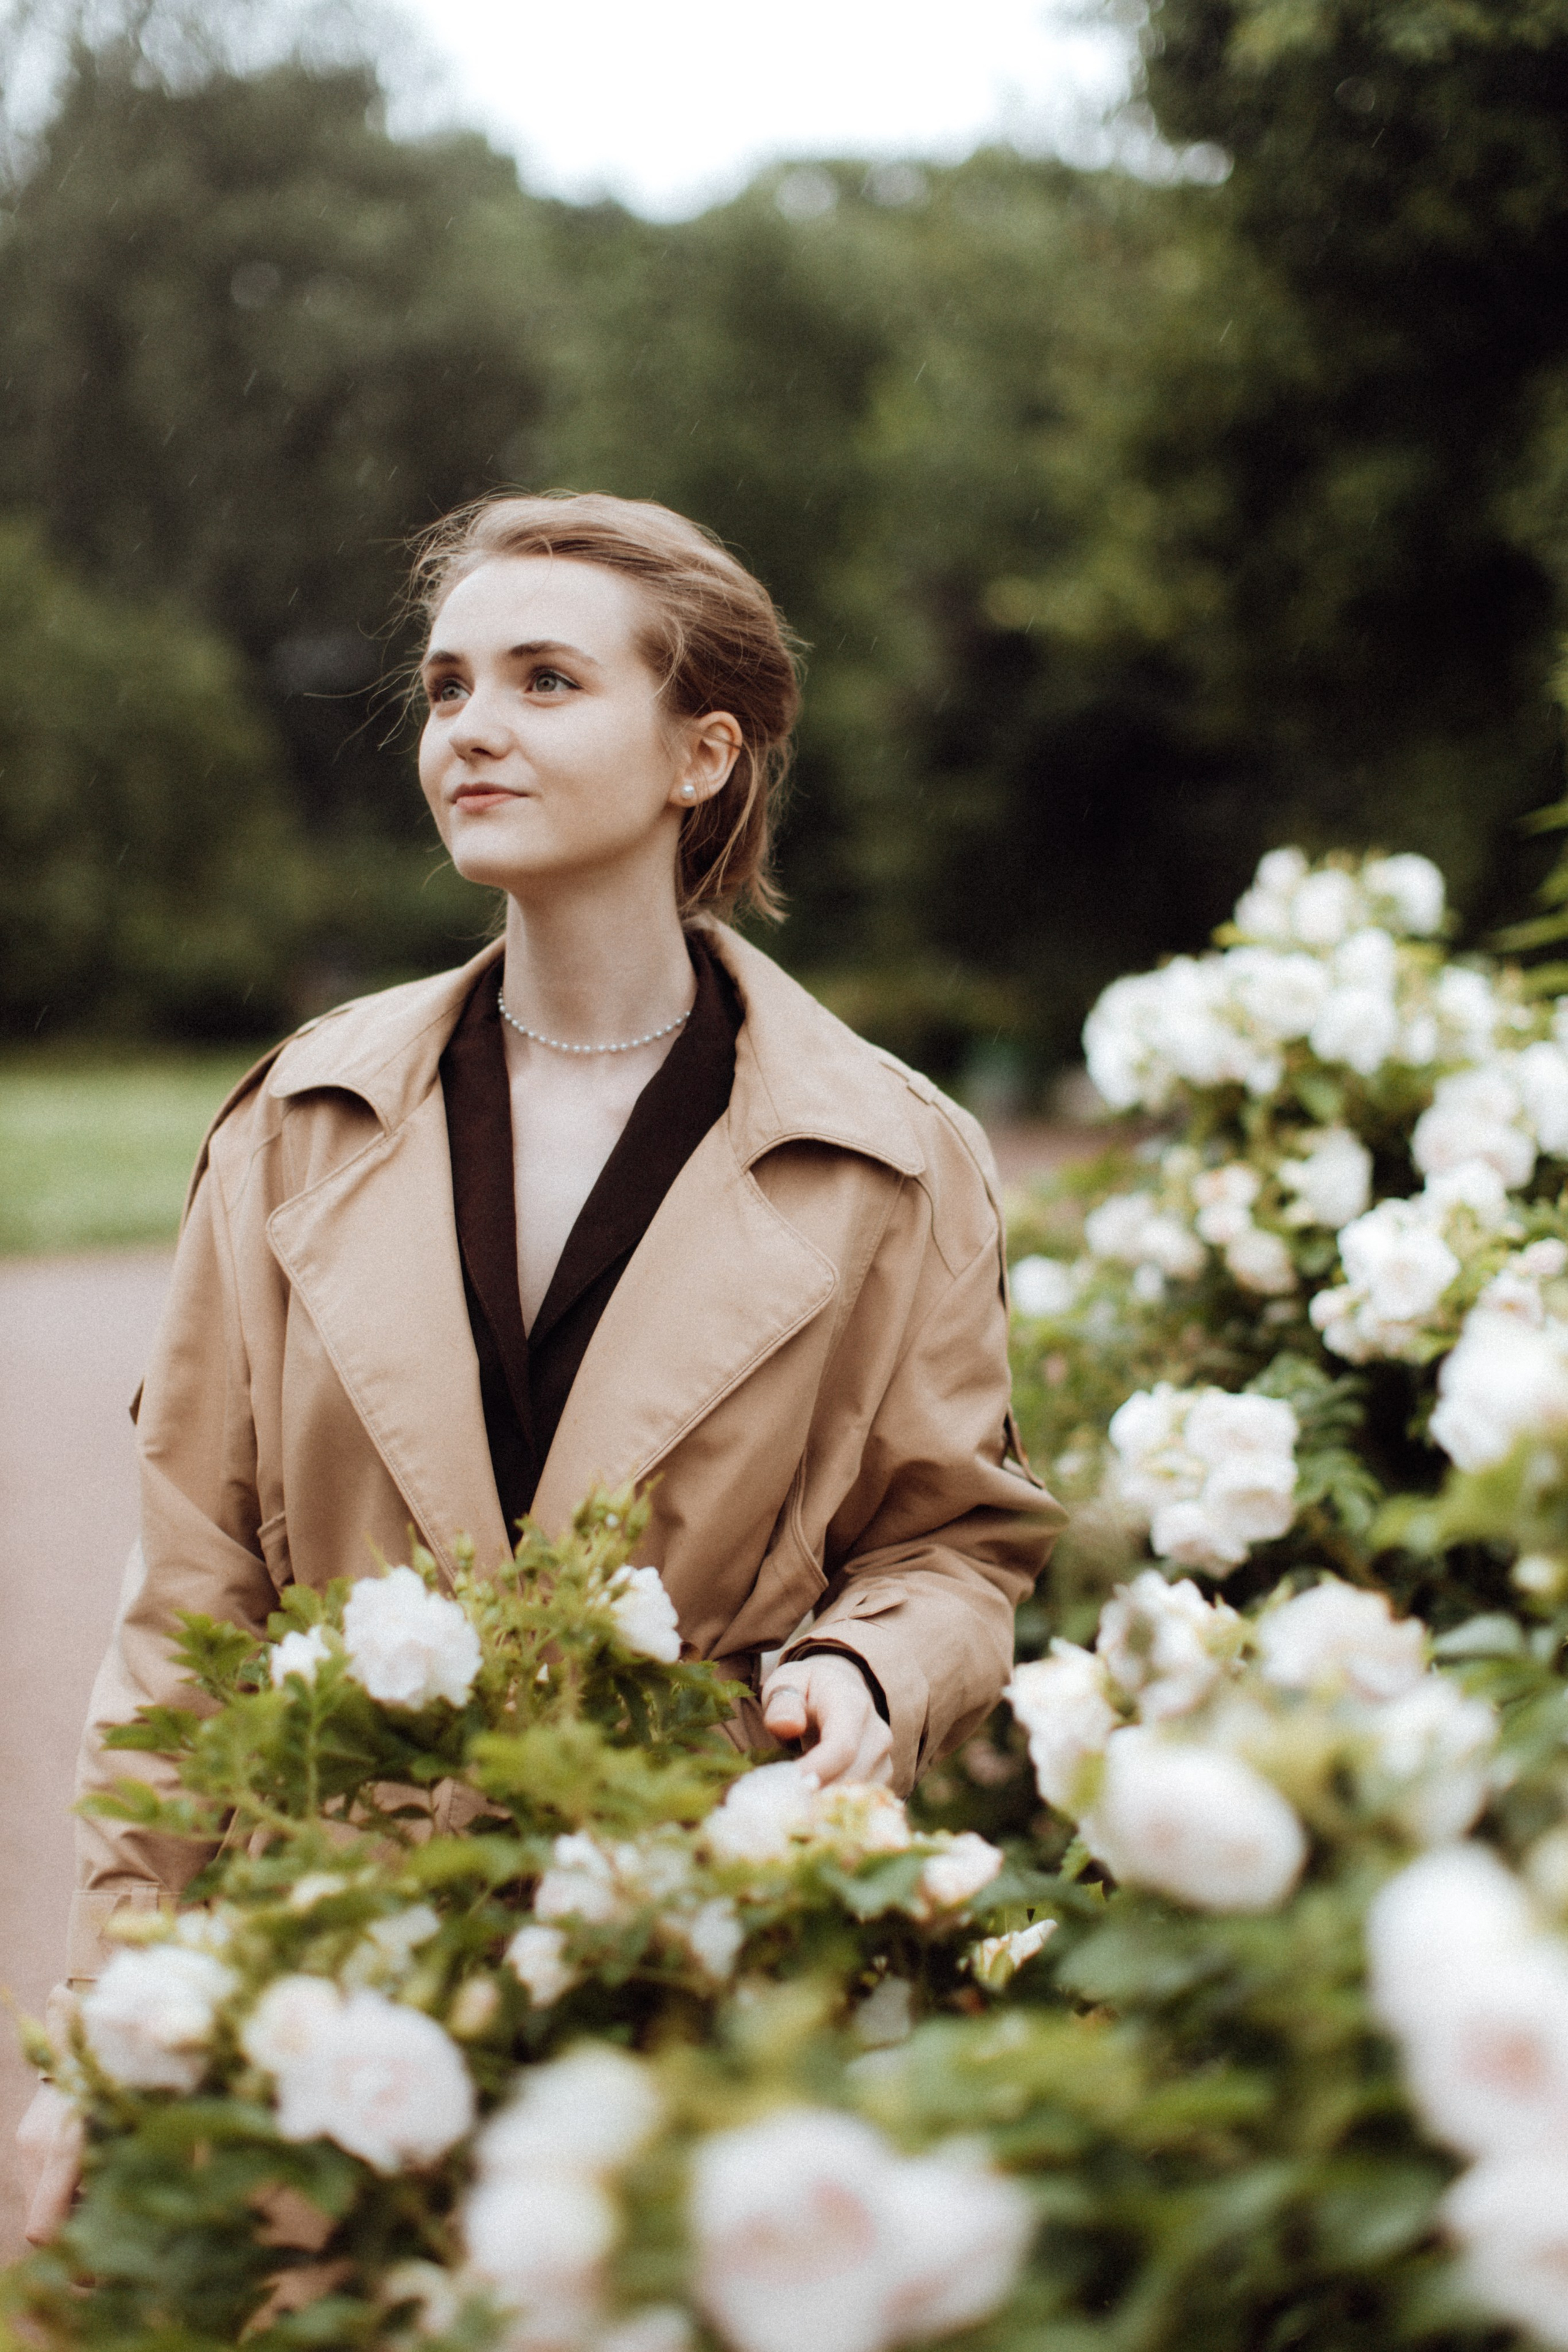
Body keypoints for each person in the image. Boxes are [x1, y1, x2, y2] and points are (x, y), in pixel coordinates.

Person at [17, 491, 1060, 2239]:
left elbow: (954, 1544)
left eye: (546, 680)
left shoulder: (895, 1156)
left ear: (703, 756)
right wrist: (104, 2020)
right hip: (331, 1998)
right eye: (447, 686)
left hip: (697, 1990)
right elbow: (190, 1608)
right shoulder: (296, 1124)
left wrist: (872, 1678)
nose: (472, 728)